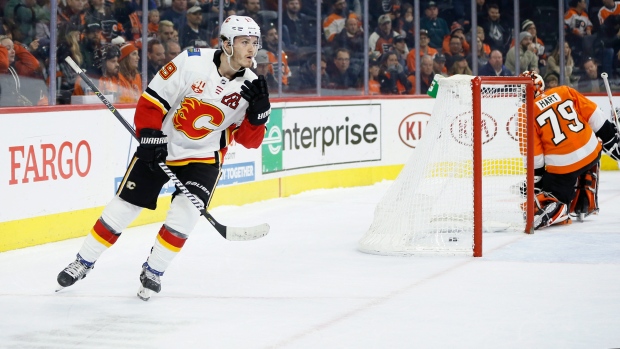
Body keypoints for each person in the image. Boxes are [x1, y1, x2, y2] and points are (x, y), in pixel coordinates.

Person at [56, 15, 271, 301]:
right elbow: (153, 100)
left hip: (204, 158)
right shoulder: (192, 61)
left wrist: (258, 117)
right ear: (226, 44)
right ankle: (83, 261)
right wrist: (149, 134)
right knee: (123, 208)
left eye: (254, 43)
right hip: (162, 146)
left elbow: (248, 141)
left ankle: (154, 270)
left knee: (186, 214)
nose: (251, 49)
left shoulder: (253, 86)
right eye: (244, 42)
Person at [519, 71, 620, 229]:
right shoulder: (564, 91)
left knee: (552, 196)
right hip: (592, 152)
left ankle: (558, 208)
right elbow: (595, 116)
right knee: (590, 152)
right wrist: (611, 138)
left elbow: (535, 157)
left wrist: (537, 185)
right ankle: (584, 201)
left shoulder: (525, 113)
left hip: (563, 169)